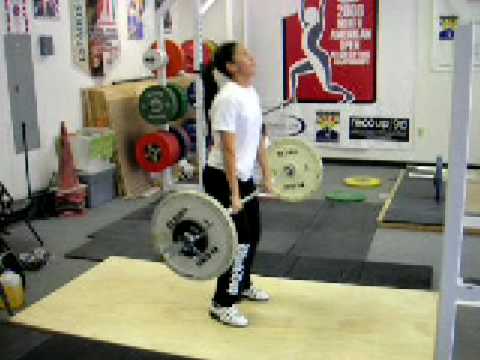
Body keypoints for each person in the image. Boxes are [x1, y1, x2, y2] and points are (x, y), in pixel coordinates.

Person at [202, 42, 273, 327]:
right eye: (245, 54)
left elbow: (258, 138)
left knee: (253, 233)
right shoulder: (228, 98)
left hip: (243, 177)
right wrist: (233, 193)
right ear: (232, 67)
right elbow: (229, 150)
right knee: (238, 240)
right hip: (223, 178)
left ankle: (241, 284)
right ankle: (222, 303)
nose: (252, 57)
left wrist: (266, 175)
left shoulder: (250, 93)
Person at [289, 0, 355, 103]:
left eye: (310, 14)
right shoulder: (306, 26)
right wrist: (302, 1)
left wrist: (322, 2)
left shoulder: (317, 27)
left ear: (313, 16)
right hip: (312, 59)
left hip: (320, 58)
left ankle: (348, 95)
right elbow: (301, 14)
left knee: (328, 87)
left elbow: (321, 10)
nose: (307, 16)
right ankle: (293, 98)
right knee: (293, 71)